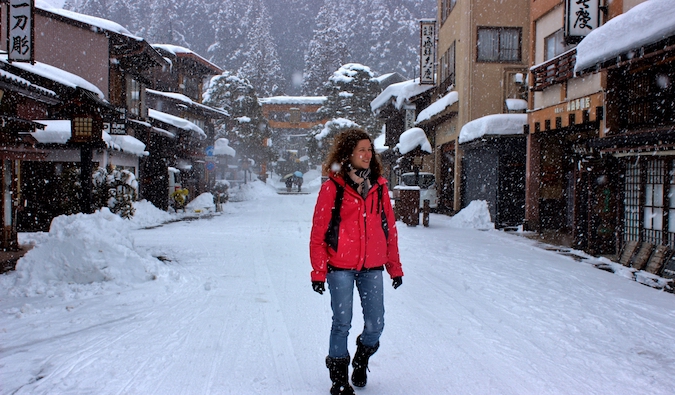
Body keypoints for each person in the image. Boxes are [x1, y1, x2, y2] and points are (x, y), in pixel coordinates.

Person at [309, 128, 403, 395]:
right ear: (348, 154)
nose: (366, 154)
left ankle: (361, 360)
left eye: (369, 149)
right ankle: (339, 380)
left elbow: (389, 230)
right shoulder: (333, 188)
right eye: (361, 149)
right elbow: (318, 234)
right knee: (342, 322)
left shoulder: (379, 187)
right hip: (340, 268)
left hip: (372, 267)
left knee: (376, 324)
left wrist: (394, 267)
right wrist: (318, 272)